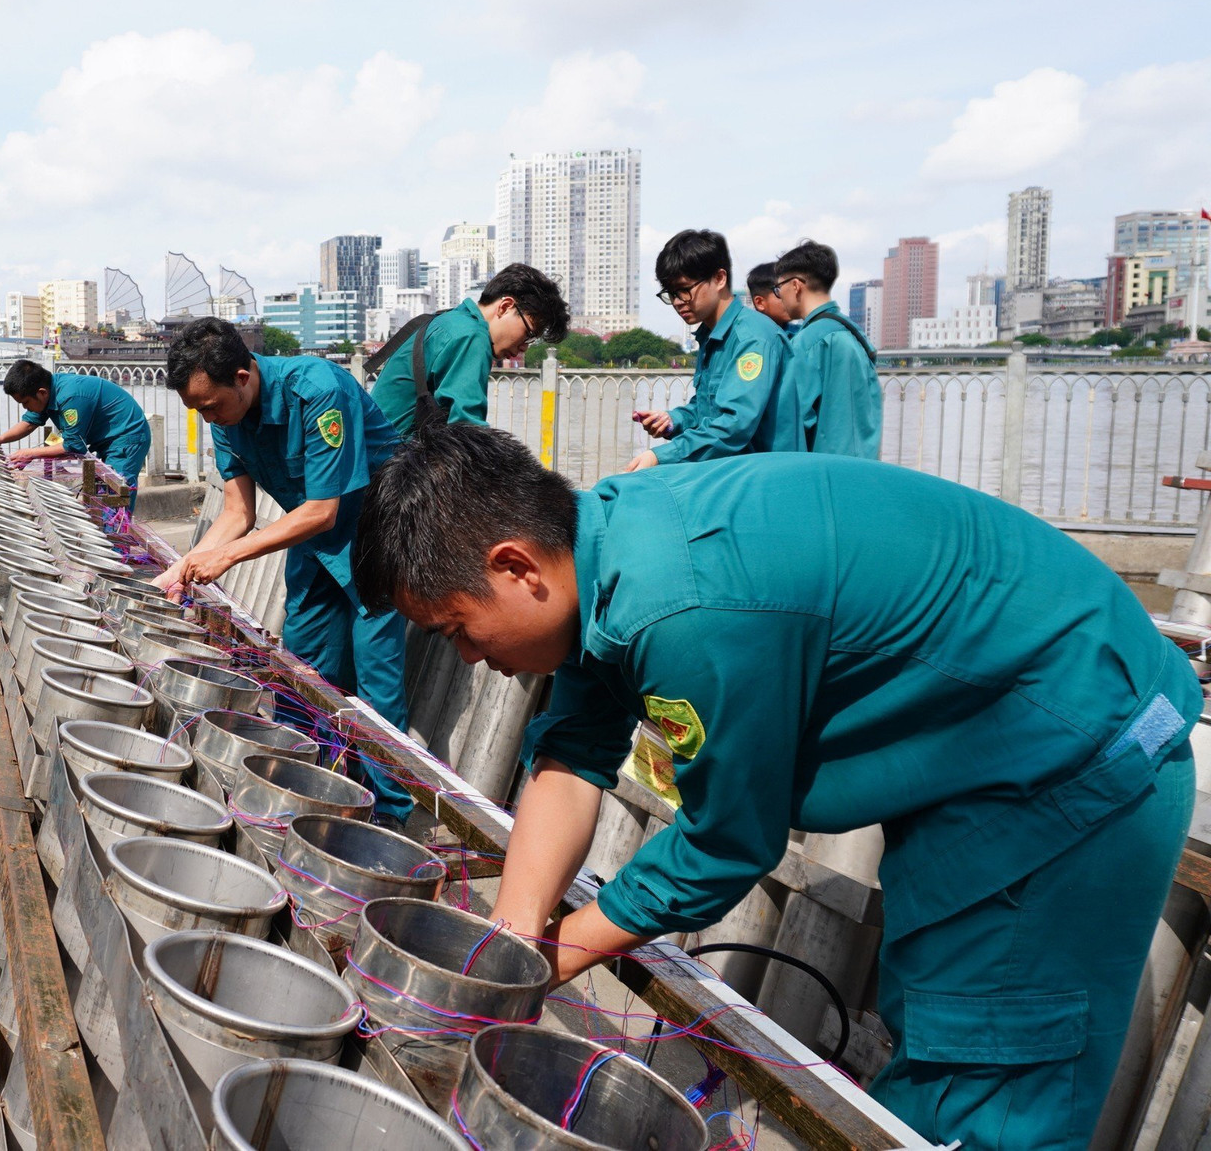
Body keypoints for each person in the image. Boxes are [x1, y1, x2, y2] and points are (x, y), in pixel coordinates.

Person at [353, 422, 1196, 1151]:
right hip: (986, 737)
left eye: (457, 630)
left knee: (984, 1086)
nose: (465, 658)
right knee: (935, 1040)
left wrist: (541, 970)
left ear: (514, 564)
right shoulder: (600, 546)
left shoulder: (683, 611)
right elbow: (574, 750)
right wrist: (511, 935)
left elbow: (726, 840)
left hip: (1071, 747)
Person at [154, 317, 414, 823]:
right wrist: (182, 567)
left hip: (375, 536)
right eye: (197, 411)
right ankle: (305, 782)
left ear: (243, 377)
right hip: (313, 542)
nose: (208, 419)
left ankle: (390, 815)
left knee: (375, 680)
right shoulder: (226, 418)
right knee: (302, 665)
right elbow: (237, 513)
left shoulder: (318, 390)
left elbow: (323, 508)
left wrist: (227, 557)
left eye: (210, 406)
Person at [628, 230, 798, 471]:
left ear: (719, 279)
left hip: (764, 478)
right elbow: (707, 409)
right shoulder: (711, 336)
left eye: (684, 289)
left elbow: (734, 425)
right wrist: (672, 420)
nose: (677, 301)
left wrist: (659, 456)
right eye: (671, 293)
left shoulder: (752, 339)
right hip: (730, 474)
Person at [367, 263, 569, 435]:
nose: (524, 347)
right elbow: (469, 431)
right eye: (528, 334)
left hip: (375, 460)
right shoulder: (471, 335)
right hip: (392, 470)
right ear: (505, 306)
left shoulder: (450, 321)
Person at [0, 359, 153, 503]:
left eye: (26, 403)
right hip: (105, 440)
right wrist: (0, 439)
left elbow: (74, 446)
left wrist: (29, 453)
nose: (25, 408)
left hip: (127, 437)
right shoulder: (49, 391)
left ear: (41, 393)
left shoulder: (70, 398)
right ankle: (103, 535)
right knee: (99, 494)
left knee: (115, 495)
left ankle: (117, 546)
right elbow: (29, 423)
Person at [770, 240, 883, 458]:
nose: (779, 296)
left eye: (778, 288)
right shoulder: (853, 334)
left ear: (795, 286)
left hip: (826, 472)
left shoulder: (807, 342)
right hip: (864, 470)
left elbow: (791, 423)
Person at [743, 260, 787, 329]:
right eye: (780, 292)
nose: (790, 298)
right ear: (760, 302)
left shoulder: (801, 333)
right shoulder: (750, 335)